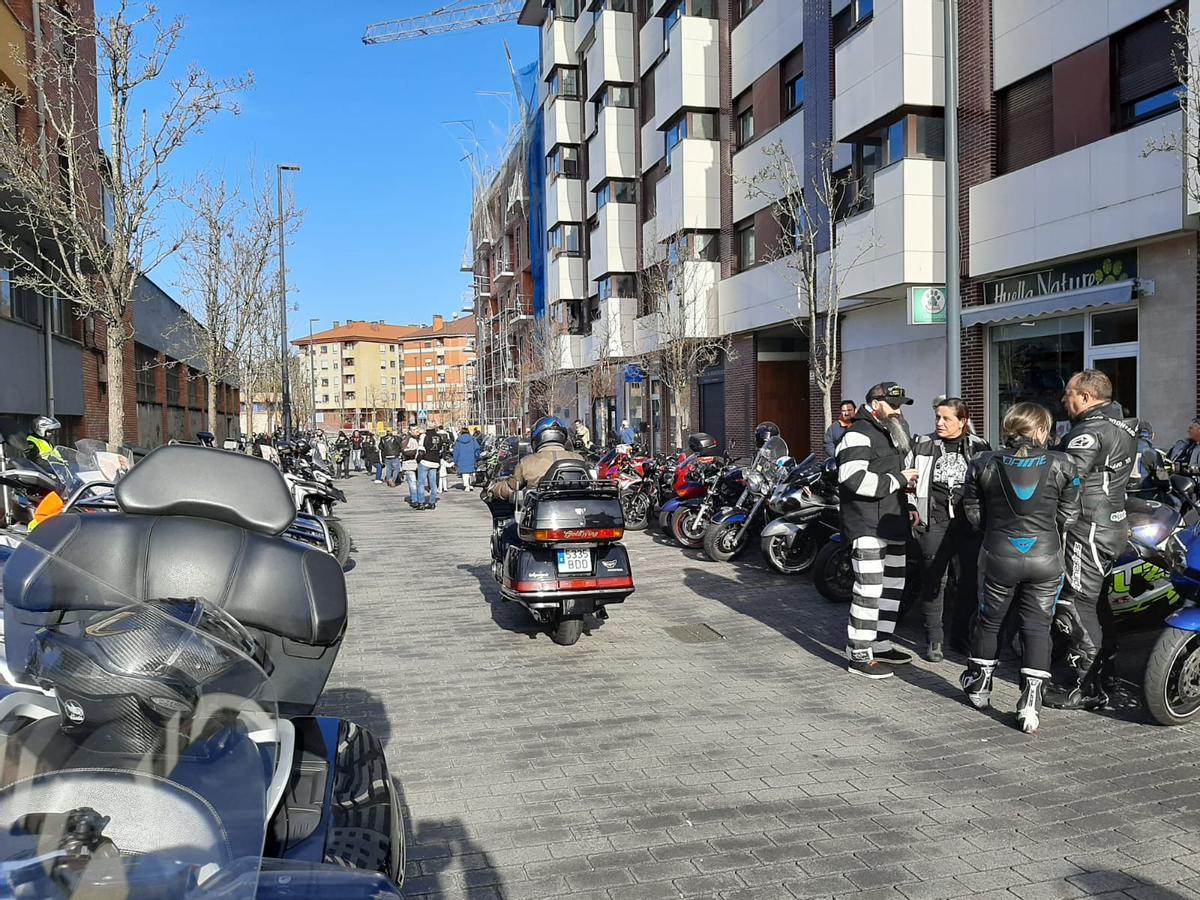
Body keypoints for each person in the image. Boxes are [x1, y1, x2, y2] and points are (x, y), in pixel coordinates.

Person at [959, 403, 1081, 734]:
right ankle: (1030, 703)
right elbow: (1069, 516)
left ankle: (980, 687)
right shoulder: (1064, 463)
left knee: (990, 620)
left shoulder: (982, 462)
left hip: (999, 552)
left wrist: (997, 530)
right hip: (1046, 555)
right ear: (1041, 430)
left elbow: (972, 512)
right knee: (1037, 627)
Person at [1046, 369, 1138, 710]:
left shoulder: (1087, 432)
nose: (1063, 400)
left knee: (1076, 604)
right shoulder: (1123, 425)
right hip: (1111, 524)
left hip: (1088, 528)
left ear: (1085, 397)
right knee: (1098, 604)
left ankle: (1081, 686)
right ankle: (1105, 675)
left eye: (1068, 393)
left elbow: (1067, 480)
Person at [836, 382, 920, 678]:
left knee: (893, 587)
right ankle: (858, 652)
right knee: (869, 588)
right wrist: (898, 479)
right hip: (867, 522)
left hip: (894, 520)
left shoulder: (894, 432)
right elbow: (852, 479)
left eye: (901, 405)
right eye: (893, 405)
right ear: (875, 404)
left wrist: (908, 505)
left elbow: (898, 480)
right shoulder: (857, 434)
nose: (898, 411)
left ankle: (880, 643)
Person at [908, 397, 990, 661]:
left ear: (962, 421)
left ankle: (960, 637)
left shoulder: (979, 446)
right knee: (934, 580)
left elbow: (989, 483)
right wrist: (910, 506)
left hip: (969, 523)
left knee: (968, 582)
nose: (940, 423)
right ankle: (934, 640)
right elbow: (908, 478)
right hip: (934, 520)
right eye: (937, 417)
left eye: (946, 418)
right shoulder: (923, 444)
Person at [491, 416, 585, 501]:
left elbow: (510, 487)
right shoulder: (578, 458)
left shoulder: (527, 462)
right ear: (563, 437)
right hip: (577, 513)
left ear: (537, 438)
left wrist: (493, 490)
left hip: (542, 514)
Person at [415, 424, 445, 510]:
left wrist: (418, 460)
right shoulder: (439, 436)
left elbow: (421, 450)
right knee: (433, 483)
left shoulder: (424, 436)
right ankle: (432, 502)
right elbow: (441, 450)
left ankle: (421, 503)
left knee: (421, 483)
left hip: (425, 461)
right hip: (435, 462)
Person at [453, 427, 480, 491]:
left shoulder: (458, 440)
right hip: (471, 458)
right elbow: (477, 448)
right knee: (471, 472)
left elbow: (456, 451)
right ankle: (471, 484)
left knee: (464, 473)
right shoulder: (473, 439)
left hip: (461, 458)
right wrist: (476, 456)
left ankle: (467, 486)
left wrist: (455, 460)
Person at [400, 426, 422, 503]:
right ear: (410, 431)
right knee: (412, 483)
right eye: (414, 430)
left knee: (419, 483)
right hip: (409, 464)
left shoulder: (419, 438)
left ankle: (419, 499)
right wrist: (417, 451)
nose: (417, 431)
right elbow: (404, 451)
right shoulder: (406, 439)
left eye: (417, 429)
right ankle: (414, 500)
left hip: (418, 464)